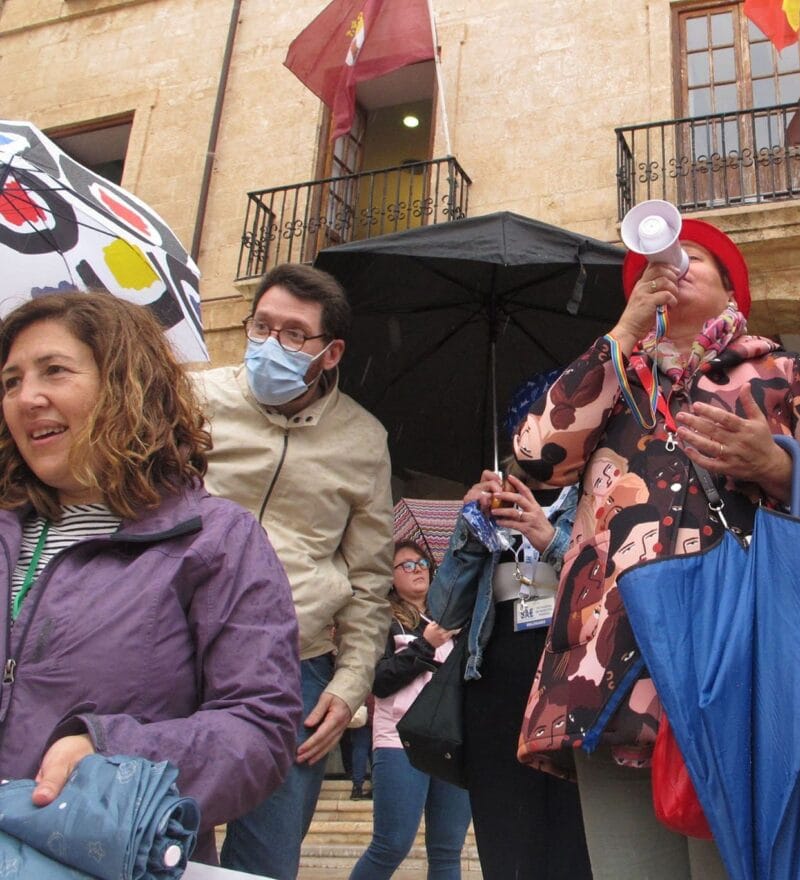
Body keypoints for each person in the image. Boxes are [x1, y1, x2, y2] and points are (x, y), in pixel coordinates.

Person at [513, 218, 800, 878]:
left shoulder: (784, 374)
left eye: (694, 260)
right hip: (605, 676)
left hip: (739, 664)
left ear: (730, 287)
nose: (674, 268)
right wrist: (622, 336)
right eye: (658, 264)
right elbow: (537, 453)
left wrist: (778, 466)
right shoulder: (614, 383)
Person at [0, 292, 302, 860]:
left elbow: (260, 731)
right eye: (11, 381)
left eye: (54, 372)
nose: (26, 397)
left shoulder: (216, 541)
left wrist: (113, 756)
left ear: (125, 385)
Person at [203, 263, 394, 880]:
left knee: (267, 858)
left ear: (330, 352)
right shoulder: (193, 401)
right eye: (261, 326)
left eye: (293, 334)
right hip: (174, 648)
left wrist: (350, 683)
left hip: (297, 667)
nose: (269, 344)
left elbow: (370, 578)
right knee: (155, 839)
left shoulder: (365, 439)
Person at [427, 370, 592, 880]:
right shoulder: (489, 507)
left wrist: (551, 540)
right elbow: (445, 611)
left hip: (573, 690)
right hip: (495, 694)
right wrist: (468, 529)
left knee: (576, 845)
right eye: (534, 422)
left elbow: (611, 591)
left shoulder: (597, 497)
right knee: (506, 848)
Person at [350, 541, 471, 880]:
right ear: (390, 576)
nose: (418, 569)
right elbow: (378, 680)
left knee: (448, 851)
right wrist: (425, 644)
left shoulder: (454, 619)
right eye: (406, 565)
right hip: (399, 741)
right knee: (391, 845)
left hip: (451, 740)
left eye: (422, 562)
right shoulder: (381, 620)